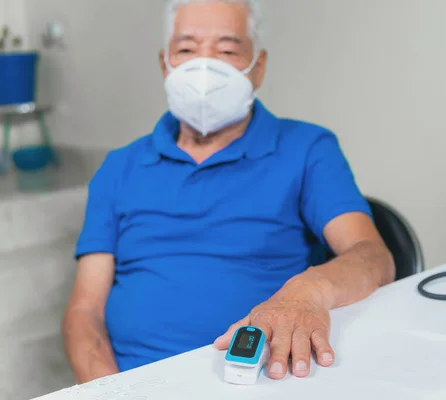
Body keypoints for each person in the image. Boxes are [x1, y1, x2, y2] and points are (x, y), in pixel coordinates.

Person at [61, 0, 395, 384]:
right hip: (135, 381)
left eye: (226, 50)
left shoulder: (307, 148)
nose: (204, 67)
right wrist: (114, 391)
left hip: (262, 379)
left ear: (259, 67)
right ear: (164, 63)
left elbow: (373, 258)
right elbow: (83, 313)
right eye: (186, 50)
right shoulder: (119, 167)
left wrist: (306, 292)